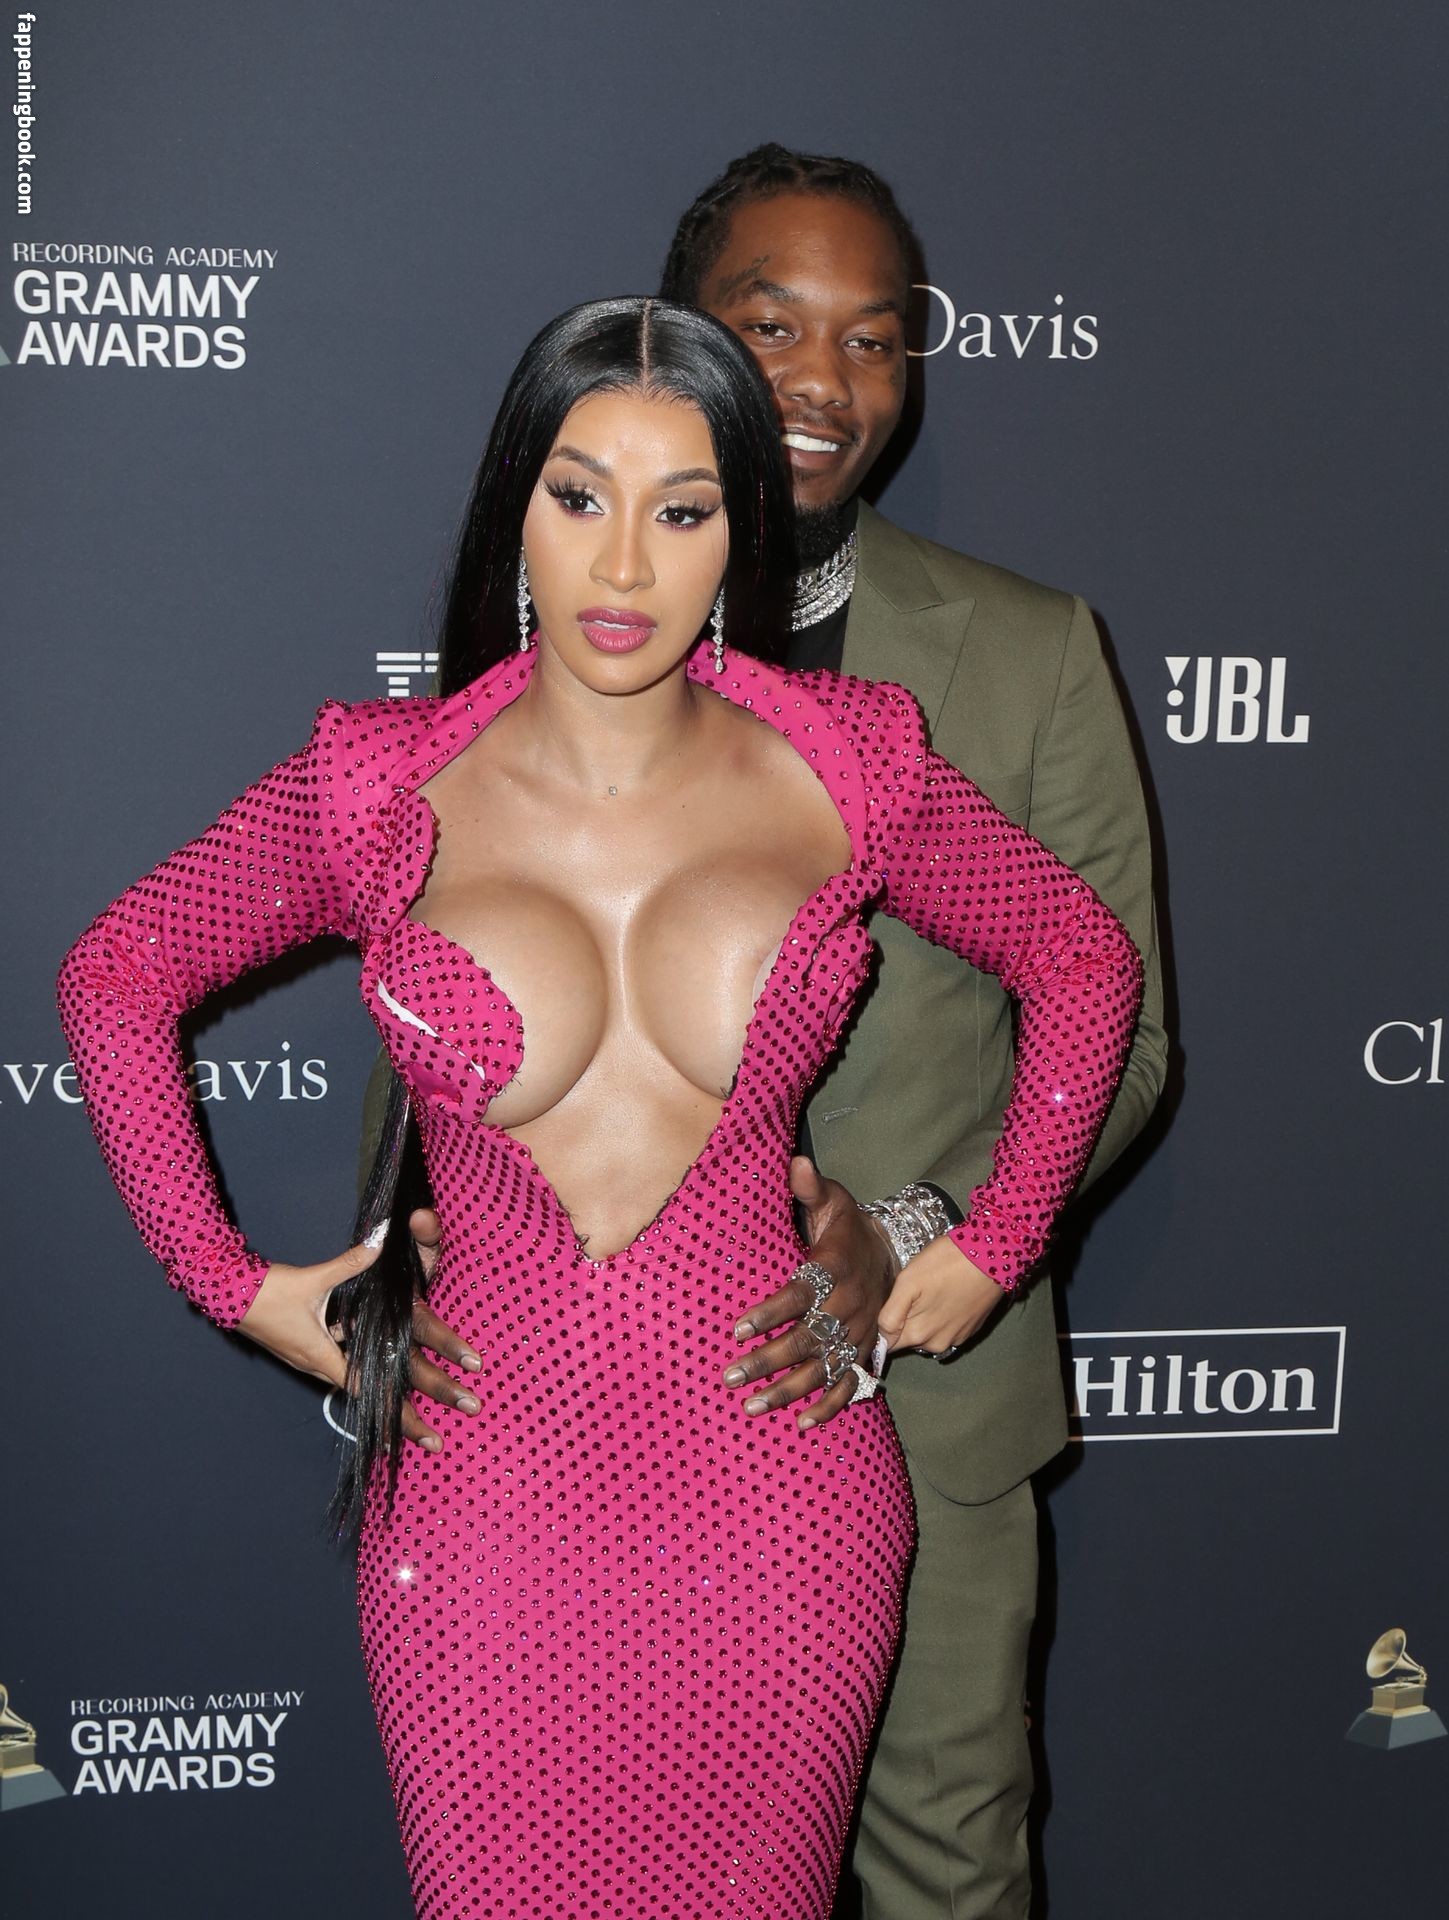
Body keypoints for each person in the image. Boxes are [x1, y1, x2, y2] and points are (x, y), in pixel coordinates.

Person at [58, 295, 1142, 1918]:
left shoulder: (847, 764)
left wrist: (987, 1248)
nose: (623, 565)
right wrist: (235, 1285)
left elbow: (1081, 957)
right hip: (483, 1510)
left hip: (781, 1502)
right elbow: (118, 973)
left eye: (682, 511)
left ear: (741, 530)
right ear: (516, 508)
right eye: (580, 497)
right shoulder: (382, 789)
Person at [382, 149, 1170, 1918]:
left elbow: (1117, 1028)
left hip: (915, 1406)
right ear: (682, 338)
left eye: (872, 339)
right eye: (773, 326)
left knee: (944, 1869)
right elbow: (439, 962)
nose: (825, 381)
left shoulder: (1030, 657)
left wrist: (916, 1240)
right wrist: (421, 1241)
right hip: (559, 1424)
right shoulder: (552, 620)